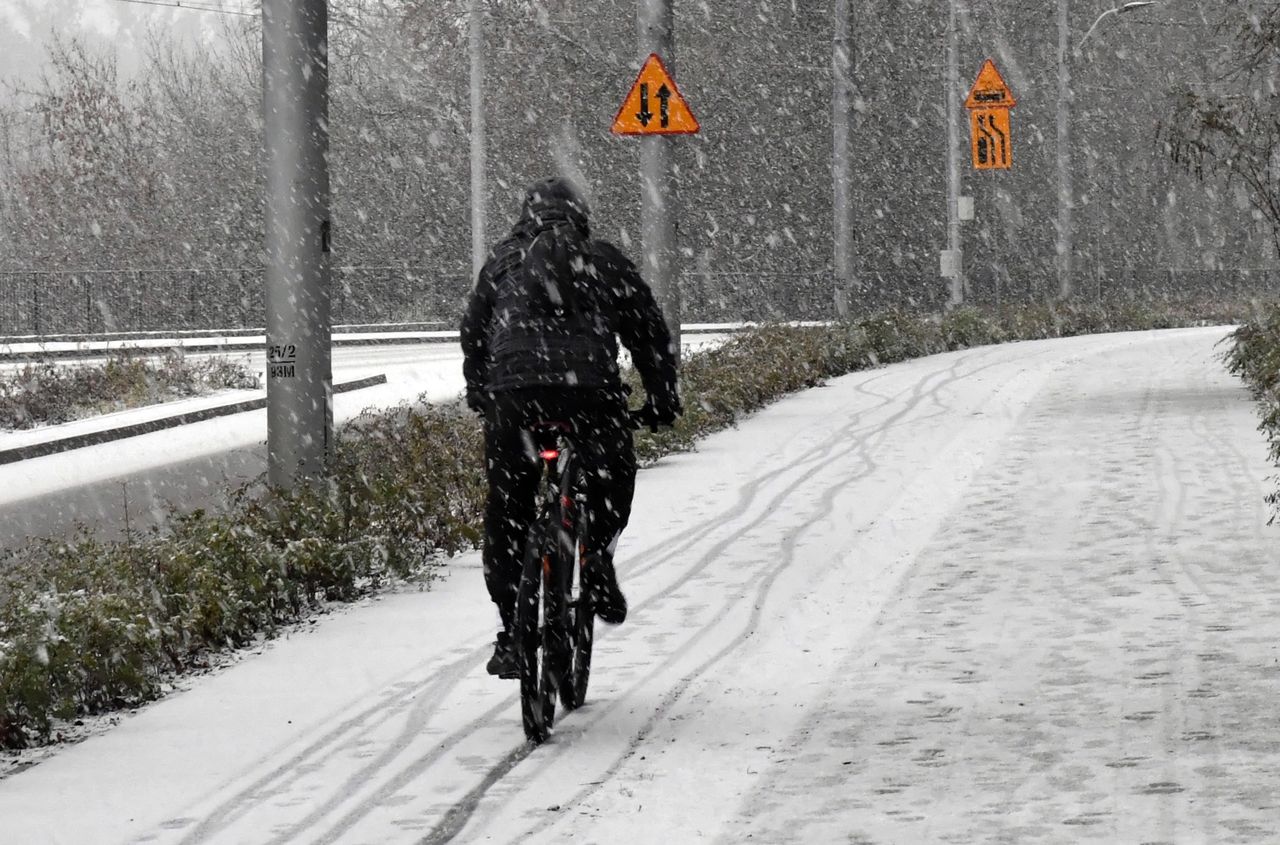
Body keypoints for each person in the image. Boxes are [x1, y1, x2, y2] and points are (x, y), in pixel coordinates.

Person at [461, 176, 681, 678]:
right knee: (611, 474)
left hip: (514, 395)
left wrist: (482, 390)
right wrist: (661, 399)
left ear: (524, 216)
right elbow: (648, 333)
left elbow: (472, 332)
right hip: (589, 392)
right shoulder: (603, 260)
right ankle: (598, 559)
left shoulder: (501, 263)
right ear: (581, 217)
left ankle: (513, 631)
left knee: (507, 510)